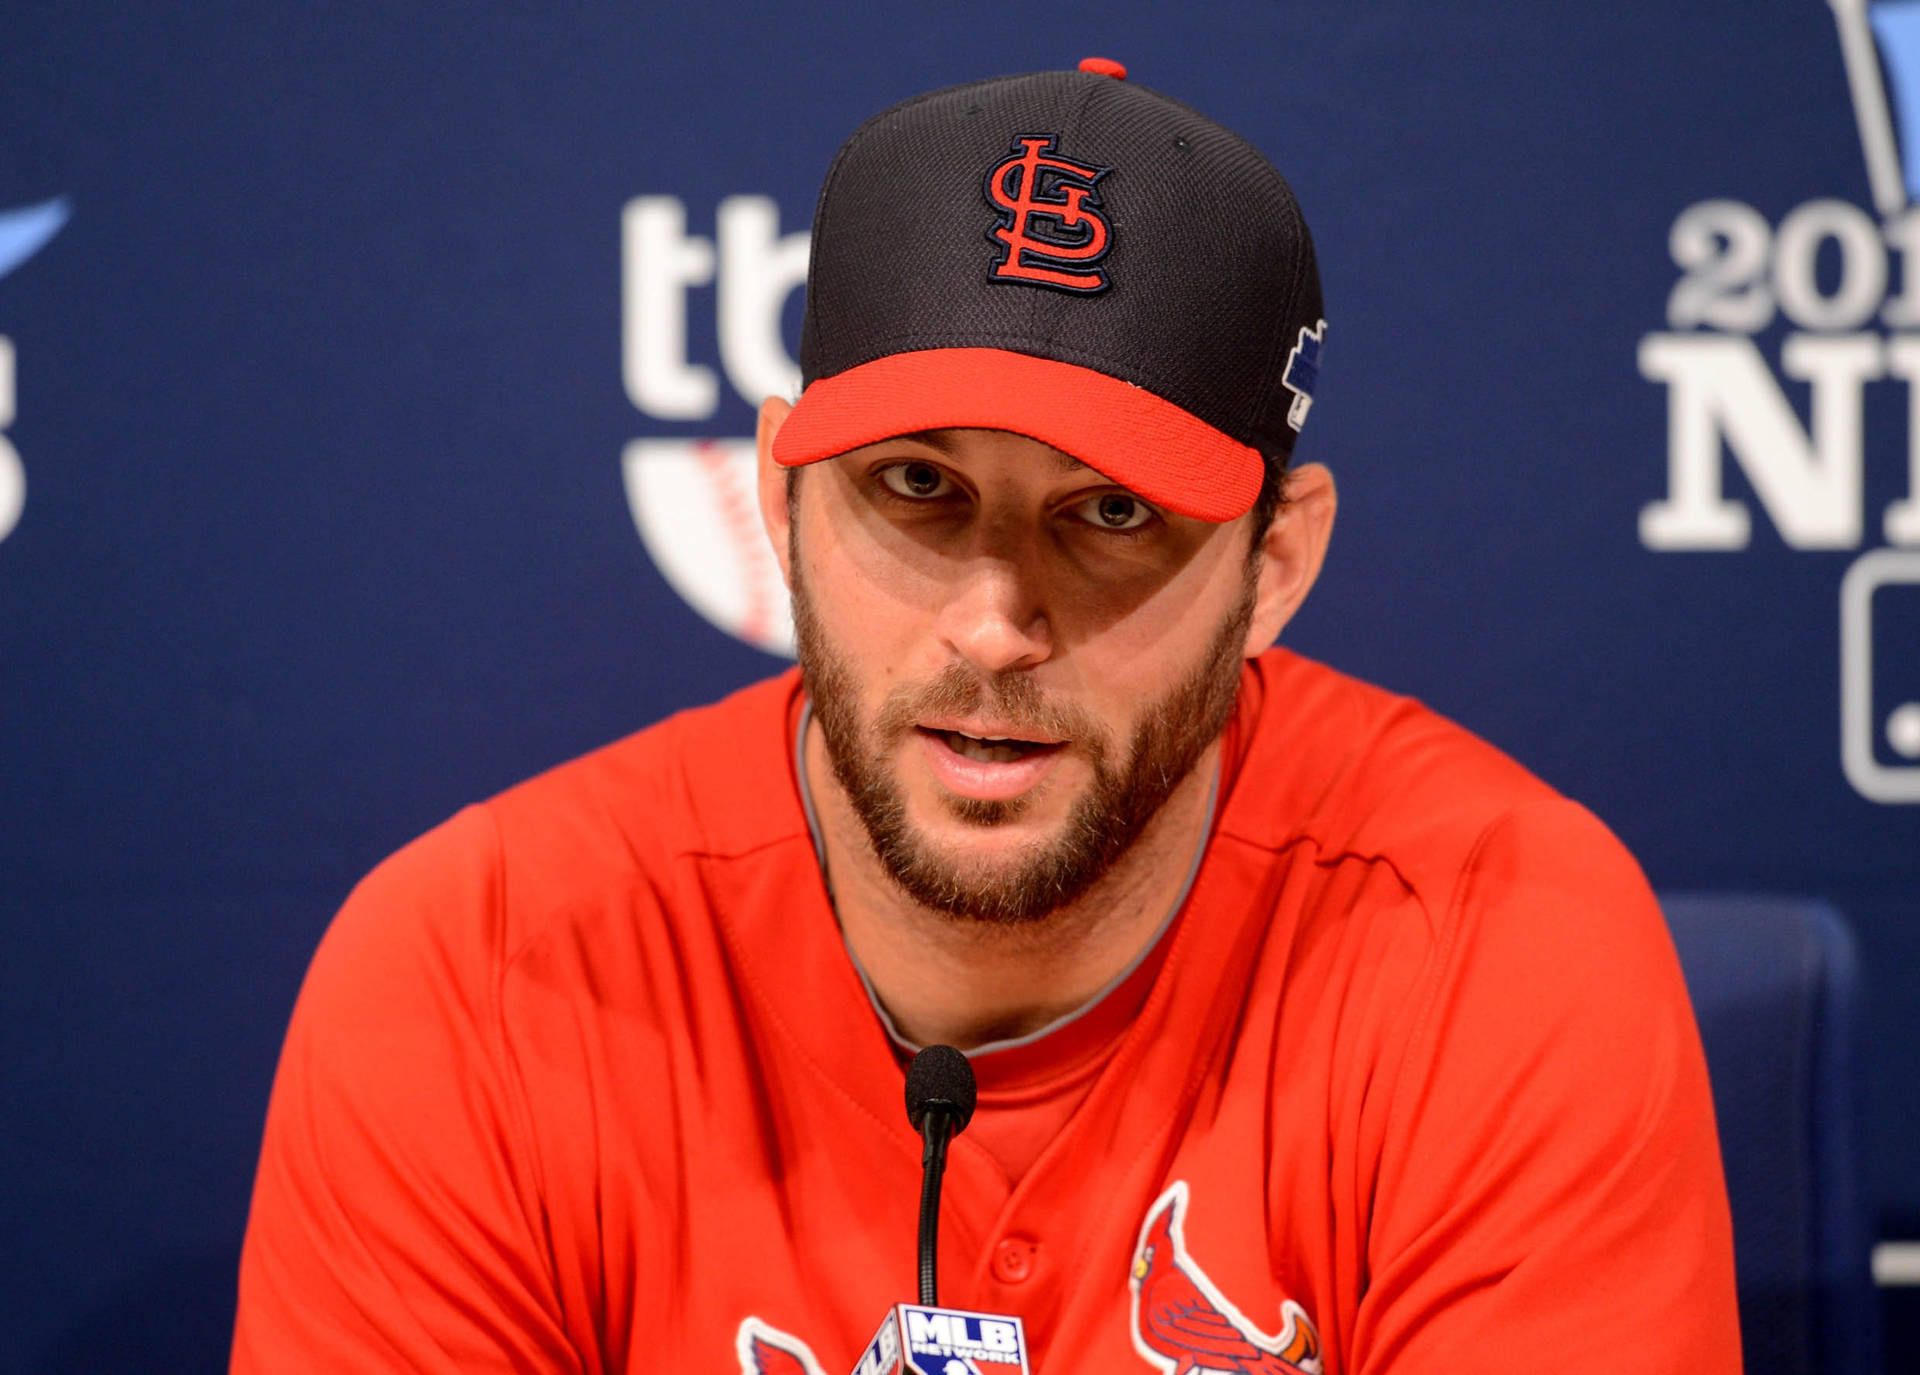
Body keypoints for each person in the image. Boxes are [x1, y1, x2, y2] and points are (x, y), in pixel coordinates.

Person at [232, 60, 1740, 1374]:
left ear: (1275, 566)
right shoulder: (480, 969)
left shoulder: (1499, 939)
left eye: (1112, 513)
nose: (993, 624)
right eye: (917, 489)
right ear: (783, 499)